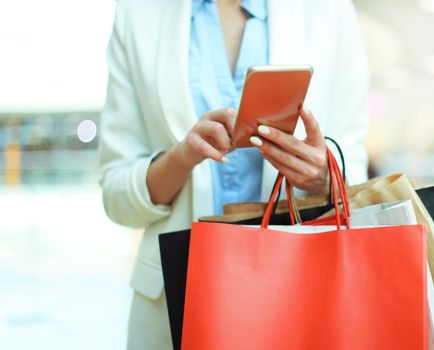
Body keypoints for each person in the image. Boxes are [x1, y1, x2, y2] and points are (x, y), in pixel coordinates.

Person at [99, 0, 369, 348]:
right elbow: (116, 198)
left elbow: (354, 173)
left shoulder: (328, 10)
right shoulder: (138, 12)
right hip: (176, 299)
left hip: (303, 292)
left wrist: (322, 177)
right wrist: (181, 158)